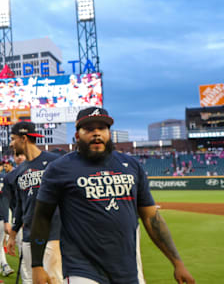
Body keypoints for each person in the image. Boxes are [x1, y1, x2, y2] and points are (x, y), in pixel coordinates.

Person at [30, 107, 196, 284]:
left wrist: (177, 263)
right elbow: (42, 217)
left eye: (102, 128)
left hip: (127, 270)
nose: (96, 133)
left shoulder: (131, 165)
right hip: (82, 269)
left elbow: (151, 218)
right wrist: (37, 265)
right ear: (77, 135)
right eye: (89, 129)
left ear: (109, 133)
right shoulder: (59, 169)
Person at [6, 121, 63, 284]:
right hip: (29, 234)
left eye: (13, 138)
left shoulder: (54, 162)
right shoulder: (19, 170)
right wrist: (13, 233)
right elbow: (19, 206)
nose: (11, 143)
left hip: (52, 232)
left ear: (23, 138)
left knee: (54, 279)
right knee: (30, 280)